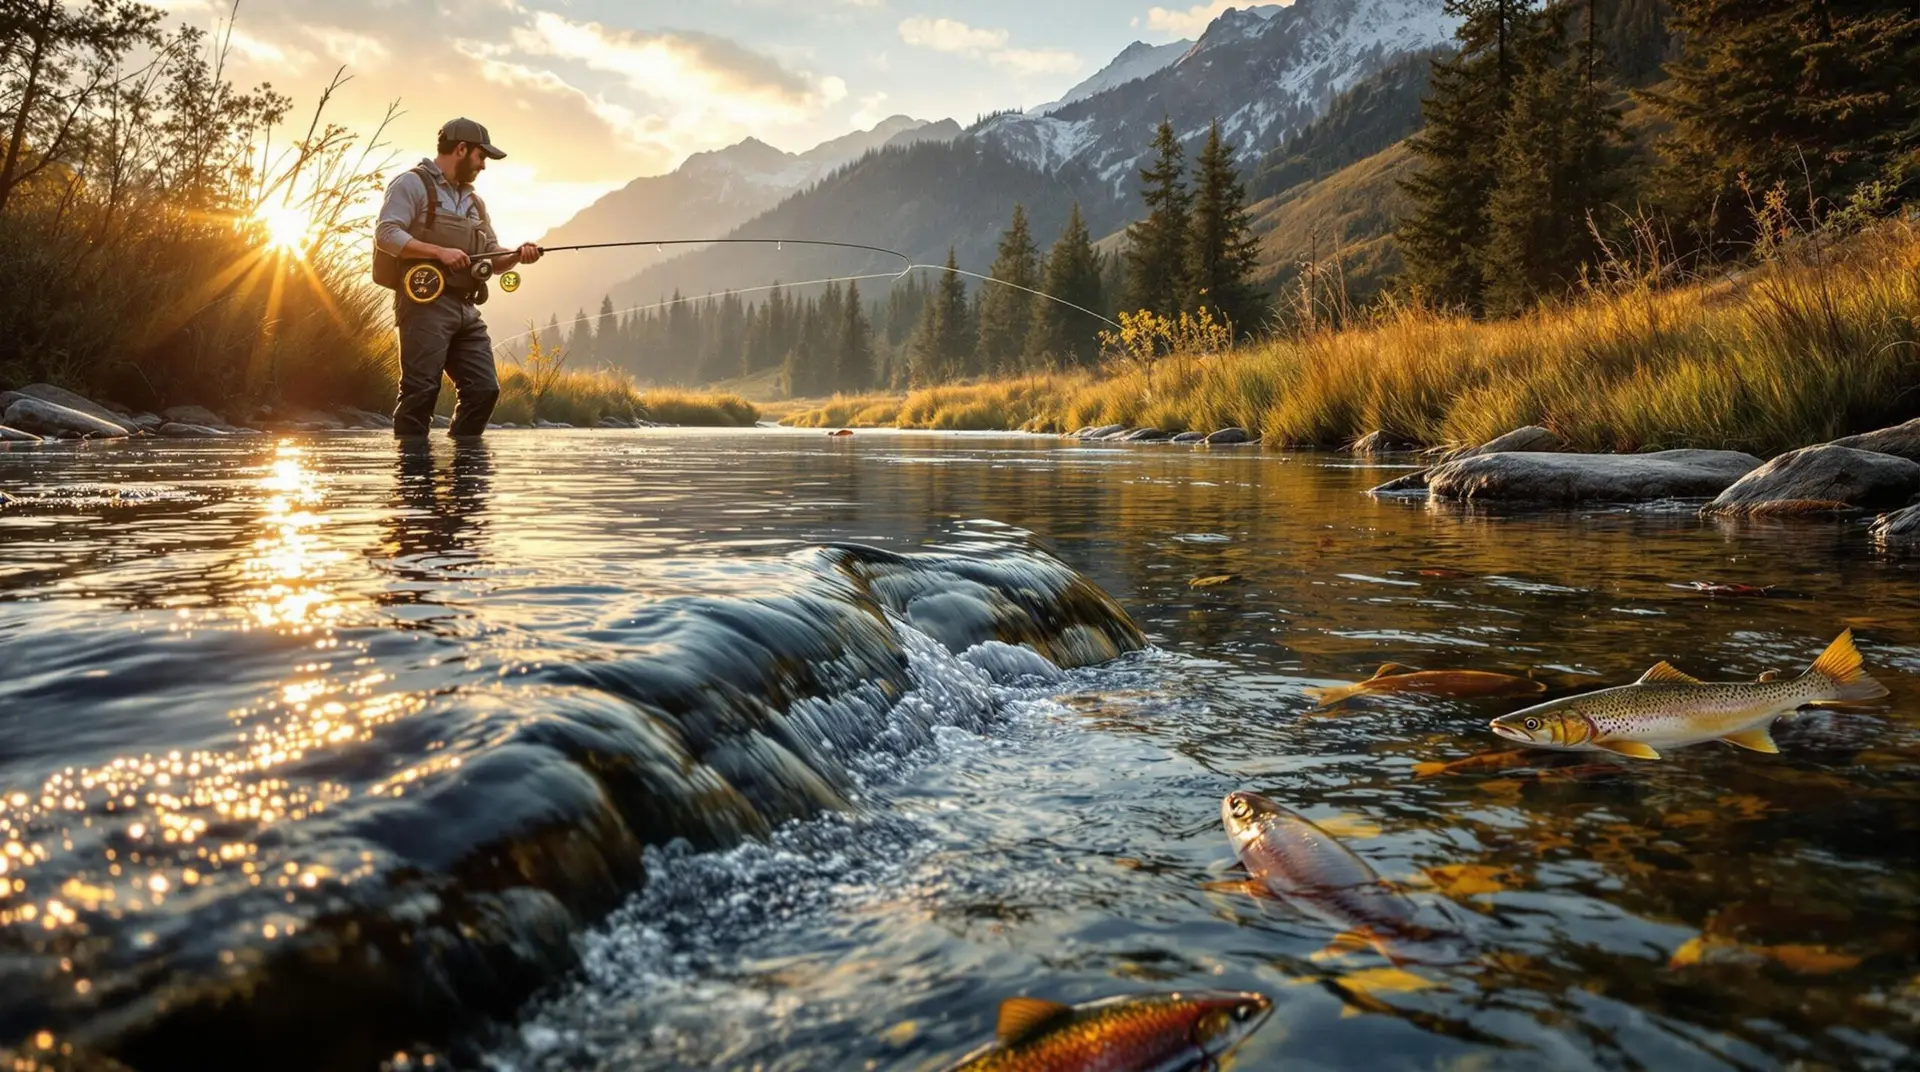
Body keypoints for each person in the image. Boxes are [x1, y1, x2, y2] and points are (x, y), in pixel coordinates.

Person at [374, 118, 543, 437]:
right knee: (420, 392)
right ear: (462, 149)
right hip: (423, 303)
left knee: (484, 390)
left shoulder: (475, 202)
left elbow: (492, 254)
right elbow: (386, 234)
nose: (484, 166)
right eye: (481, 157)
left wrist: (518, 255)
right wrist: (439, 252)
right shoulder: (411, 184)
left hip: (467, 308)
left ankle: (464, 475)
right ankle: (413, 478)